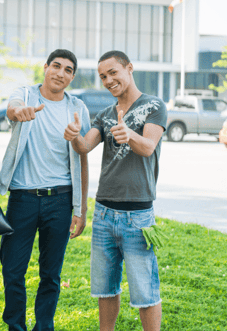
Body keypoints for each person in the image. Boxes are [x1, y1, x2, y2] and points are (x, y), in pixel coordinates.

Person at [64, 50, 167, 331]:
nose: (108, 80)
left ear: (129, 68)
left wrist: (129, 134)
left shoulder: (154, 105)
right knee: (104, 289)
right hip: (105, 214)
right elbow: (85, 146)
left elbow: (147, 148)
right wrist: (74, 136)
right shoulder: (106, 114)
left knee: (145, 290)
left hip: (138, 215)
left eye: (113, 73)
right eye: (102, 77)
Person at [0, 49, 90, 331]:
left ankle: (44, 327)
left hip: (60, 201)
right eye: (56, 66)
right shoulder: (26, 96)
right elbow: (13, 108)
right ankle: (16, 326)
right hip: (22, 199)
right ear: (46, 67)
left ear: (72, 77)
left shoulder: (78, 109)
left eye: (68, 70)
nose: (61, 73)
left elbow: (83, 157)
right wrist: (18, 113)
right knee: (13, 270)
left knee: (50, 274)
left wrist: (81, 209)